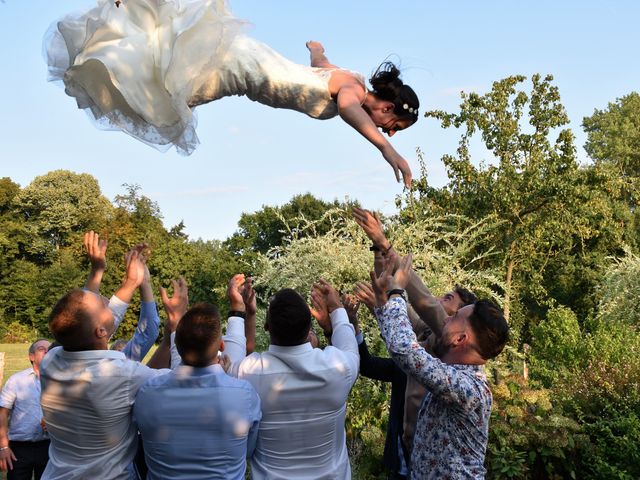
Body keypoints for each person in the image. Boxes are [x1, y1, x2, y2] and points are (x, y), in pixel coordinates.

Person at [44, 0, 419, 187]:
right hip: (242, 69)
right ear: (387, 106)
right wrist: (388, 151)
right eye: (393, 125)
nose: (388, 130)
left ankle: (126, 28)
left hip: (248, 65)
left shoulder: (347, 76)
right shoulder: (352, 92)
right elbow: (351, 110)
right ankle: (126, 25)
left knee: (165, 78)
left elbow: (321, 64)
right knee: (165, 93)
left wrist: (315, 48)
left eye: (391, 132)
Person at [38, 249, 184, 479]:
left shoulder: (49, 361)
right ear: (101, 331)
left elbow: (92, 325)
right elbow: (181, 379)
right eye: (104, 304)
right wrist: (177, 324)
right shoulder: (122, 375)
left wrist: (131, 282)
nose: (108, 301)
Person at [370, 253, 509, 479]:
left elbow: (405, 350)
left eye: (453, 319)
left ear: (460, 339)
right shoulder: (455, 374)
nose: (445, 319)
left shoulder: (469, 388)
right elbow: (402, 346)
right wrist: (382, 304)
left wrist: (397, 293)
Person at [223, 277, 359, 479]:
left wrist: (238, 310)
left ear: (267, 326)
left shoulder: (247, 373)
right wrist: (336, 307)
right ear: (309, 326)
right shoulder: (339, 368)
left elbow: (229, 359)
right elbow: (348, 343)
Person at [134, 302, 261, 479]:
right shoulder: (244, 394)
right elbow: (247, 450)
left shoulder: (147, 393)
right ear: (221, 346)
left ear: (176, 346)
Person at [83, 231, 160, 362]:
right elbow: (148, 332)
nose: (110, 308)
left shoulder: (54, 360)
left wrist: (97, 269)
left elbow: (88, 322)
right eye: (104, 307)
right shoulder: (119, 368)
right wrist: (142, 283)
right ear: (100, 331)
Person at [0, 339, 51, 480]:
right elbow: (2, 413)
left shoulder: (60, 381)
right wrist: (3, 447)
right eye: (42, 349)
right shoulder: (16, 380)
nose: (47, 352)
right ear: (31, 356)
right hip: (19, 448)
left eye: (49, 349)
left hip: (50, 447)